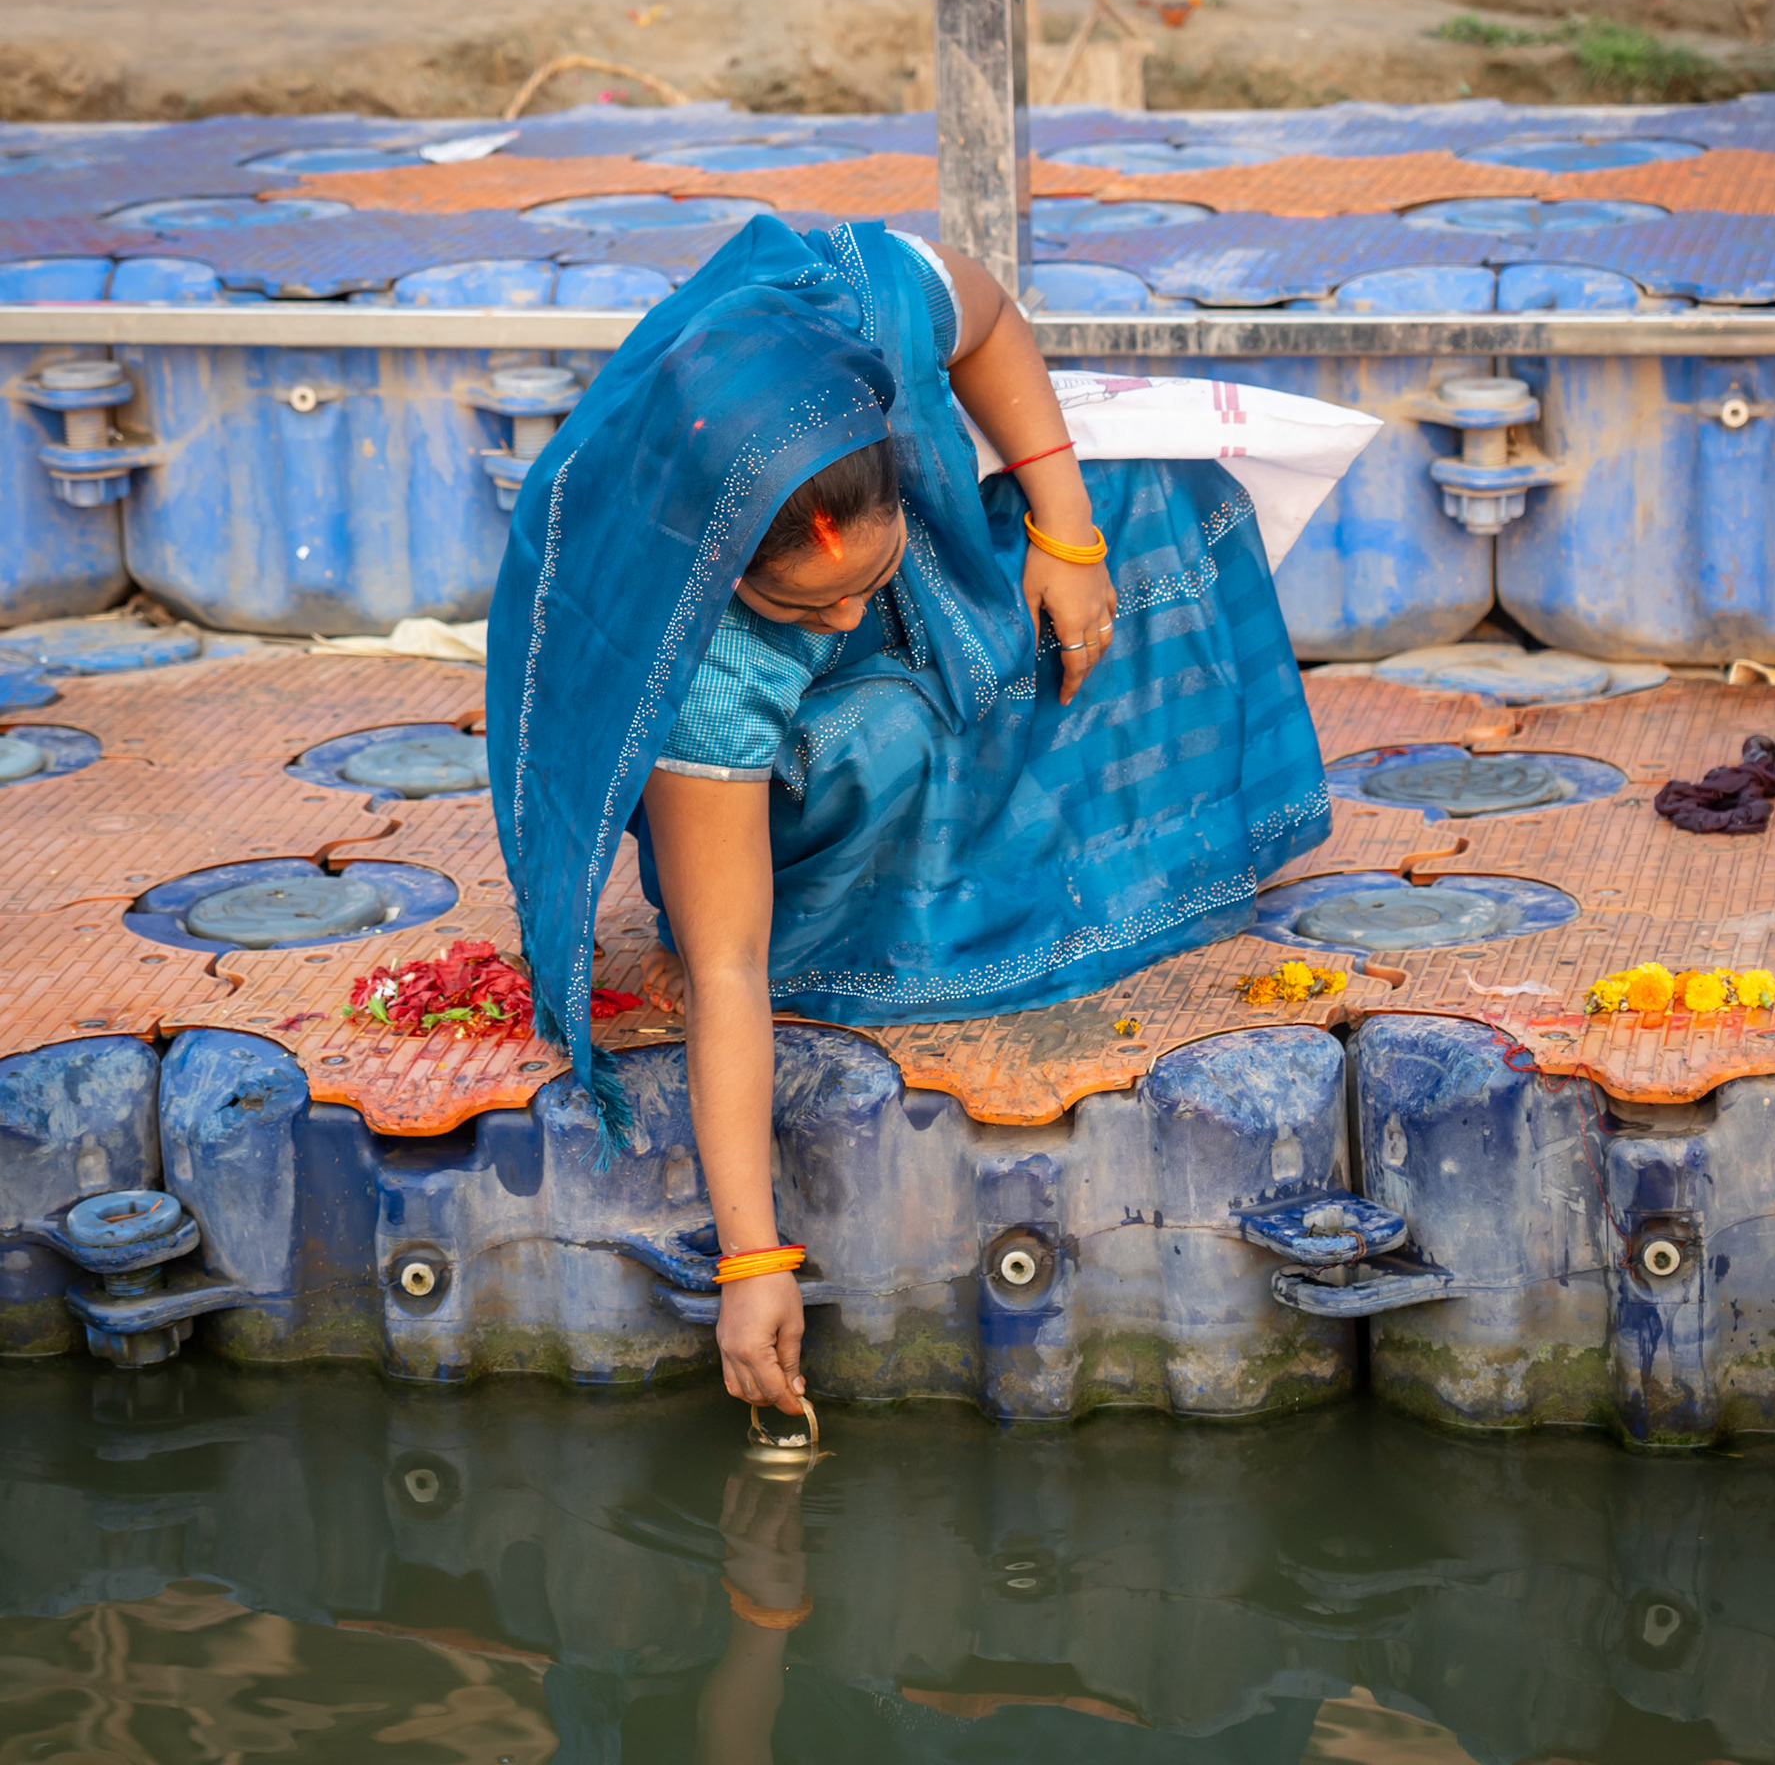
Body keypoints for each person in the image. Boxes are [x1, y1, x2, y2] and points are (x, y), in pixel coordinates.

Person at [487, 216, 1342, 1423]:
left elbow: (987, 319)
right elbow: (726, 968)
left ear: (897, 456)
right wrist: (752, 1262)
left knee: (1165, 495)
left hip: (920, 593)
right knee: (881, 722)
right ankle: (909, 905)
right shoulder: (703, 663)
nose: (840, 620)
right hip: (787, 817)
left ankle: (1094, 831)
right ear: (729, 575)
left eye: (865, 586)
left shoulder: (860, 304)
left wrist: (1066, 531)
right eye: (808, 607)